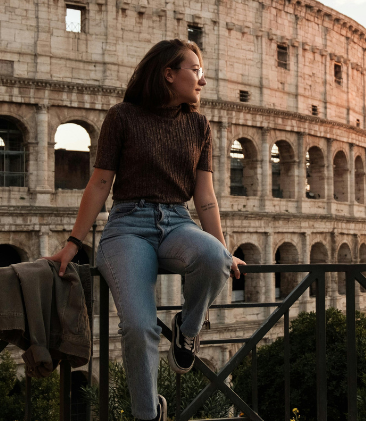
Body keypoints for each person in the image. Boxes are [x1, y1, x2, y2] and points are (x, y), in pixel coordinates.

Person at [45, 39, 244, 421]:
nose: (203, 79)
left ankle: (187, 331)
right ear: (169, 74)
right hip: (127, 227)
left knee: (214, 258)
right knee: (137, 327)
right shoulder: (122, 116)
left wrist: (222, 247)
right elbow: (100, 183)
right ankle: (147, 415)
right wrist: (73, 243)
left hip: (176, 222)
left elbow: (205, 198)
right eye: (196, 70)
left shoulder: (199, 126)